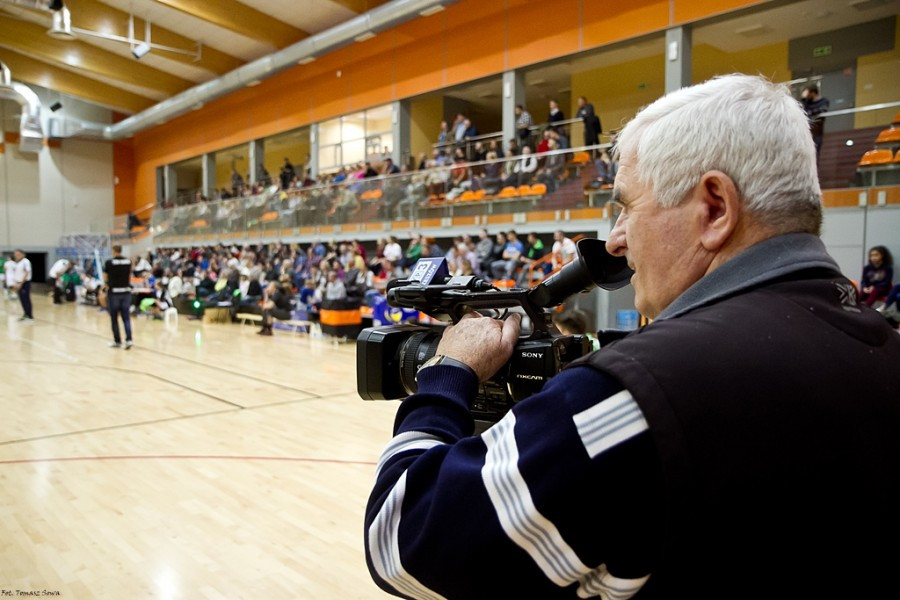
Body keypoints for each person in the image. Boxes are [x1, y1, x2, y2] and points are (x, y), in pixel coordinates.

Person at [363, 74, 900, 599]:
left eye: (626, 207)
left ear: (714, 207)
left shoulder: (637, 393)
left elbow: (399, 543)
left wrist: (445, 376)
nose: (616, 241)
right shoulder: (883, 347)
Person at [104, 245, 133, 349]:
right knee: (126, 318)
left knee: (114, 318)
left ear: (114, 251)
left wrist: (106, 285)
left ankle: (117, 341)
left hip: (114, 293)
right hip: (126, 292)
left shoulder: (109, 263)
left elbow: (105, 277)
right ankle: (129, 339)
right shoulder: (128, 262)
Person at [800, 84, 829, 158]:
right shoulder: (806, 103)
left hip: (817, 132)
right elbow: (801, 111)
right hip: (806, 131)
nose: (807, 96)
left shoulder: (824, 101)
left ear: (813, 93)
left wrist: (810, 113)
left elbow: (822, 111)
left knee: (815, 154)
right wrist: (803, 99)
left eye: (808, 93)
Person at [11, 249, 32, 321]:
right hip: (18, 283)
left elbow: (27, 273)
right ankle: (25, 314)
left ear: (23, 254)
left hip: (24, 283)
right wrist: (15, 284)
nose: (16, 256)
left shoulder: (25, 261)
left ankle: (29, 316)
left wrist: (21, 283)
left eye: (18, 254)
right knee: (22, 300)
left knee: (26, 299)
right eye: (15, 254)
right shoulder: (17, 263)